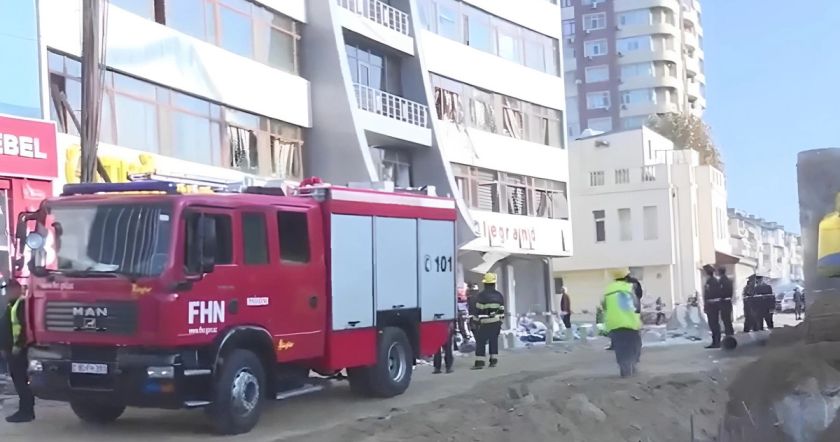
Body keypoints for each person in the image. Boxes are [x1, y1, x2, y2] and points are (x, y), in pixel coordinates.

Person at [0, 279, 34, 423]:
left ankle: (26, 411)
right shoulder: (12, 305)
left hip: (18, 351)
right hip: (11, 350)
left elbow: (24, 328)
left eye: (10, 289)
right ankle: (25, 410)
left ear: (17, 289)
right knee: (18, 380)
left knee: (21, 382)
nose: (7, 292)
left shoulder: (21, 305)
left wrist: (18, 346)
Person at [601, 268, 642, 378]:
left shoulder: (608, 289)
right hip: (629, 323)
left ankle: (624, 368)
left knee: (620, 349)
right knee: (634, 345)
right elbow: (636, 305)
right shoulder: (629, 288)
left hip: (613, 324)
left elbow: (604, 306)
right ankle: (631, 367)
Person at [472, 273, 505, 370]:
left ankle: (480, 362)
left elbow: (477, 310)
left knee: (481, 341)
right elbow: (501, 309)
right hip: (496, 322)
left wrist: (475, 321)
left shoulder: (481, 296)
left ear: (485, 284)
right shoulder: (499, 295)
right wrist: (500, 321)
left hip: (485, 323)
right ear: (494, 283)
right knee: (493, 340)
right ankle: (493, 360)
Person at [702, 265, 734, 349]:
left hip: (712, 305)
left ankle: (716, 342)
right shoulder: (713, 281)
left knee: (714, 324)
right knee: (714, 324)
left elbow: (713, 294)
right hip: (713, 305)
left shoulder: (713, 281)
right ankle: (716, 341)